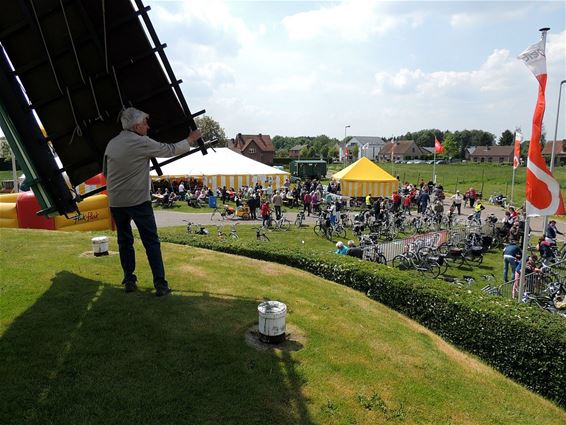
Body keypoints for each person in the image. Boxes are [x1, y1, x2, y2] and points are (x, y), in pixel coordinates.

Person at [103, 107, 202, 296]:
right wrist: (190, 139)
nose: (148, 127)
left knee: (124, 241)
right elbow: (169, 149)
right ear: (137, 125)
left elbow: (106, 172)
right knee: (151, 242)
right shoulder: (141, 142)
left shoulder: (112, 144)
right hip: (138, 200)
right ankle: (160, 285)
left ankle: (129, 279)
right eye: (145, 123)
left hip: (116, 201)